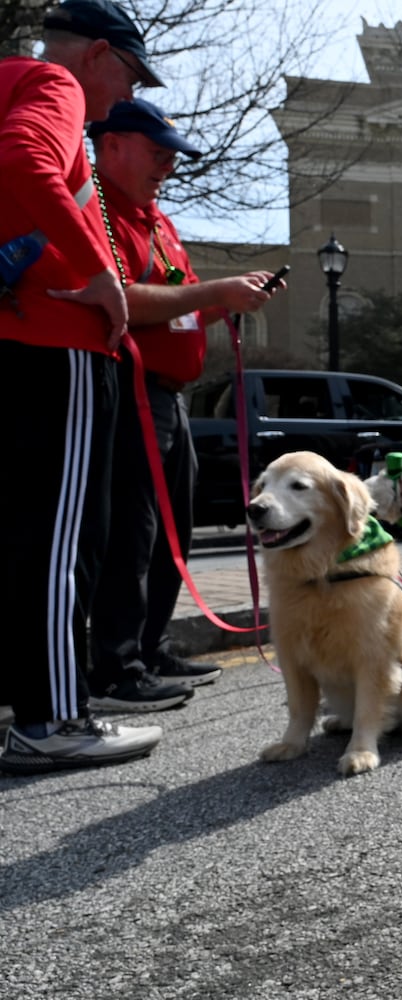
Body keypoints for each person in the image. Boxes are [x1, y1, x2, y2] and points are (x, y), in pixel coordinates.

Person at [0, 0, 164, 775]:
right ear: (99, 52)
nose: (123, 96)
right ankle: (53, 715)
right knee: (62, 538)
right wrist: (100, 274)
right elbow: (25, 163)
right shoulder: (56, 85)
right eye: (128, 73)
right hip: (53, 340)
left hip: (22, 333)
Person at [85, 99, 282, 711]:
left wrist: (224, 301)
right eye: (157, 151)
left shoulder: (155, 219)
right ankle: (116, 666)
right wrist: (216, 288)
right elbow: (120, 299)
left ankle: (149, 644)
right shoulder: (96, 208)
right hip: (132, 388)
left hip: (171, 395)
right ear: (112, 144)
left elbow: (175, 299)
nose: (168, 165)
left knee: (174, 527)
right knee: (135, 532)